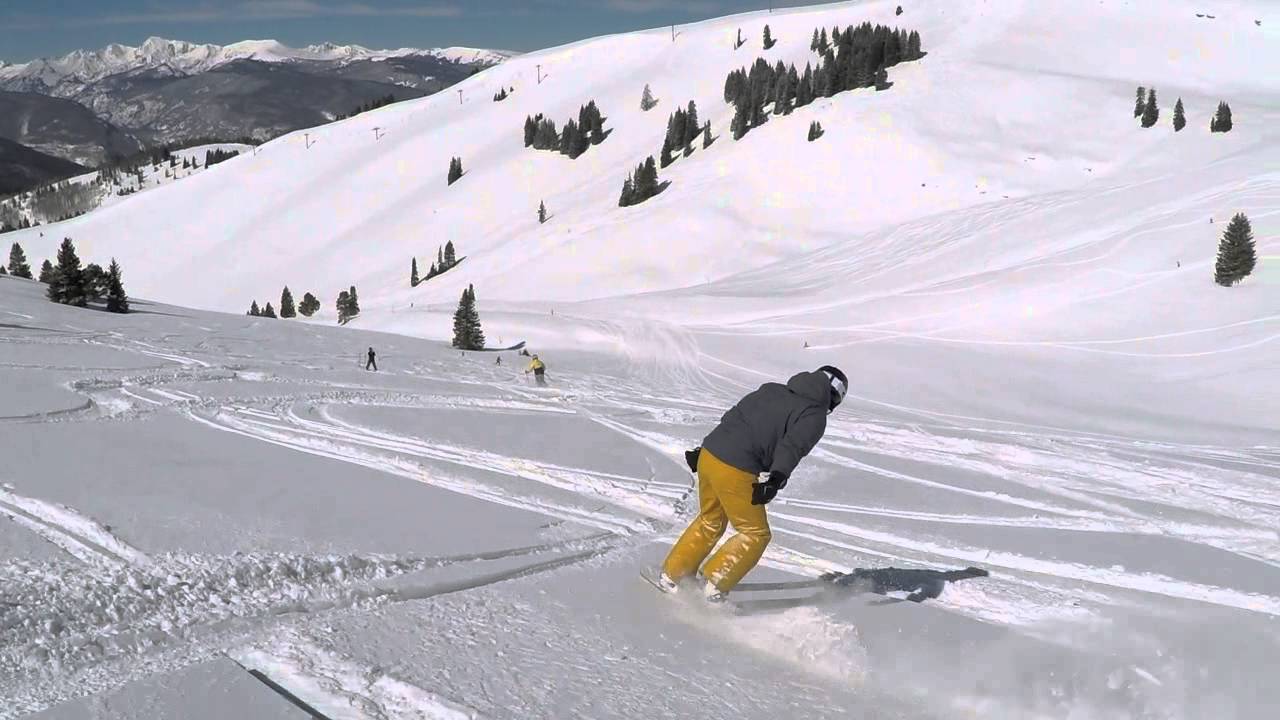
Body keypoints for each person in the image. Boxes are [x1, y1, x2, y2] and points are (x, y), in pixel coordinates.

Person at [657, 365, 848, 602]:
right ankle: (714, 585)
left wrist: (704, 448)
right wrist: (776, 478)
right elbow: (793, 446)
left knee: (710, 520)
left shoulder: (771, 389)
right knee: (755, 533)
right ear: (834, 396)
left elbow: (735, 417)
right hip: (735, 468)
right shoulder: (813, 414)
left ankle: (673, 575)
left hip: (709, 456)